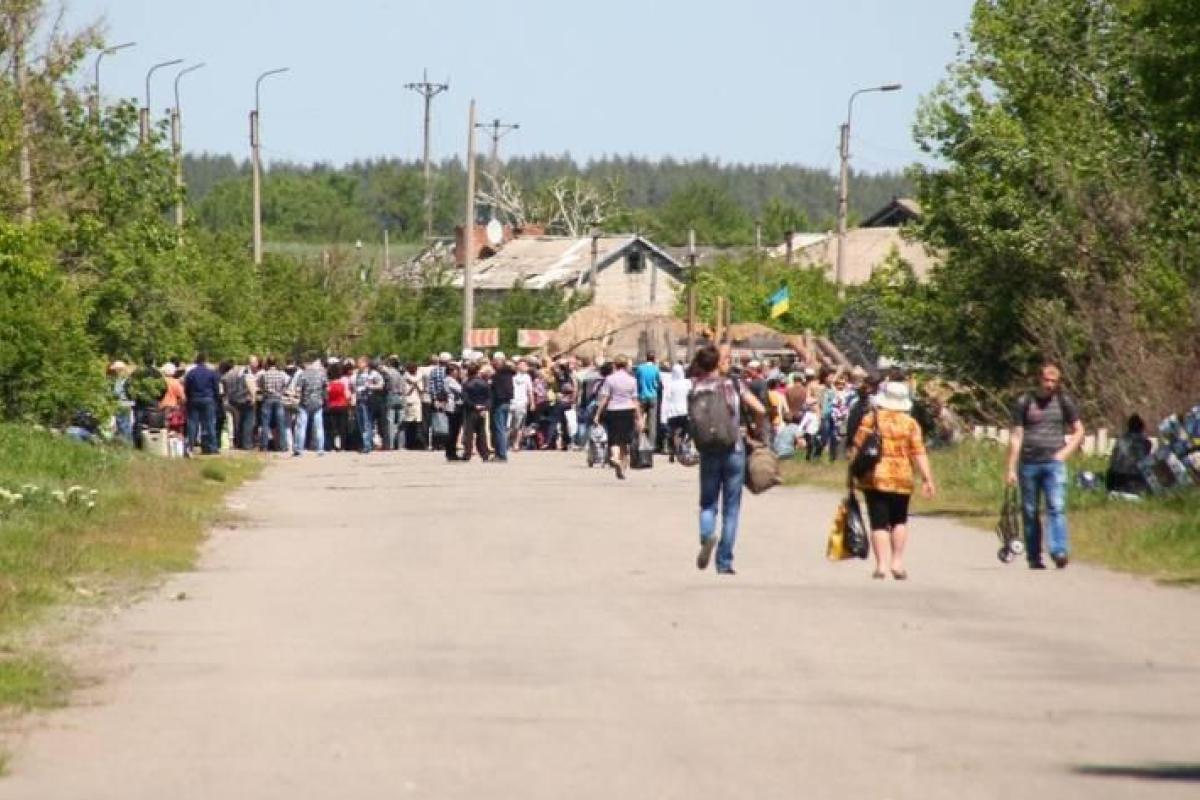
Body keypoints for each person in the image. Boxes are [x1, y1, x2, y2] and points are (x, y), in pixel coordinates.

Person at [691, 344, 767, 575]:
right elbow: (761, 409)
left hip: (708, 450)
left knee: (708, 503)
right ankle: (724, 562)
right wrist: (756, 429)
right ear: (718, 363)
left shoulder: (694, 388)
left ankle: (707, 535)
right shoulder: (733, 384)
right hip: (734, 448)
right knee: (731, 509)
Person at [851, 377, 937, 580]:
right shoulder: (911, 424)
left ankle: (881, 566)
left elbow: (857, 446)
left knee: (879, 523)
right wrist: (927, 478)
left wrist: (853, 472)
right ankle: (897, 563)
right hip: (903, 478)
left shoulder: (872, 419)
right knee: (899, 520)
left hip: (876, 477)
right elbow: (919, 452)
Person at [1006, 363, 1085, 569]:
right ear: (1038, 380)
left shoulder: (1063, 401)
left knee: (1056, 507)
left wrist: (1064, 453)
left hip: (1054, 464)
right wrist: (1011, 468)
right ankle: (1034, 556)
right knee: (1030, 511)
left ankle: (1059, 551)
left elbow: (1079, 430)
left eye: (1054, 381)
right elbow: (1016, 436)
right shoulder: (1024, 402)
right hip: (1029, 464)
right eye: (1046, 380)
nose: (1050, 385)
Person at [595, 355, 642, 480]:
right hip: (628, 410)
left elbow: (604, 398)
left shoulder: (610, 379)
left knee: (614, 438)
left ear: (615, 365)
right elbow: (635, 400)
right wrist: (639, 417)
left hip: (613, 410)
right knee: (625, 441)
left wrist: (597, 414)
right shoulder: (632, 380)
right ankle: (622, 469)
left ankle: (615, 457)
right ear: (626, 365)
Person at [183, 353, 220, 455]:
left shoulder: (190, 373)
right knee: (209, 424)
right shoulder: (211, 373)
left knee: (192, 423)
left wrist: (189, 398)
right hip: (208, 399)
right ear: (205, 360)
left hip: (194, 399)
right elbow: (216, 388)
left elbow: (186, 389)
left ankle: (190, 446)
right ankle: (212, 447)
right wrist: (217, 400)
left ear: (196, 360)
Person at [1106, 414, 1152, 495]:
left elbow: (1113, 462)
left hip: (1116, 481)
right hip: (1135, 482)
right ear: (1142, 428)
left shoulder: (1120, 440)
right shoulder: (1147, 443)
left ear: (1128, 427)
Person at [293, 355, 328, 456]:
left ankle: (299, 449)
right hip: (318, 403)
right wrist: (324, 399)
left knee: (301, 427)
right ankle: (320, 449)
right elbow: (326, 388)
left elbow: (298, 390)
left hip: (305, 403)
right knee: (319, 427)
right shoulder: (322, 375)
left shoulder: (303, 375)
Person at [257, 356, 291, 453]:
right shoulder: (281, 374)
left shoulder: (264, 374)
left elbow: (260, 385)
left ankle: (263, 446)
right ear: (276, 363)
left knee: (265, 424)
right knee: (281, 423)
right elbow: (287, 382)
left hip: (267, 399)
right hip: (278, 398)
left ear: (267, 363)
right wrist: (282, 390)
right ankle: (283, 446)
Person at [352, 356, 384, 454]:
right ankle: (366, 443)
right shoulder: (357, 374)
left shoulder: (373, 374)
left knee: (367, 423)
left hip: (368, 401)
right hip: (359, 401)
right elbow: (355, 387)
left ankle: (367, 445)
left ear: (365, 363)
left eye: (360, 363)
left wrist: (370, 387)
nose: (358, 365)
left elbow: (381, 385)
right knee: (361, 424)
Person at [461, 362, 491, 461]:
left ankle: (467, 454)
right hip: (482, 410)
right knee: (482, 433)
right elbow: (489, 398)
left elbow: (465, 399)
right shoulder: (484, 383)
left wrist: (474, 406)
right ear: (478, 371)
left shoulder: (466, 384)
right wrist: (485, 407)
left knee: (468, 434)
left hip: (471, 411)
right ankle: (485, 454)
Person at [662, 363, 691, 462]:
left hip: (672, 411)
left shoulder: (669, 384)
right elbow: (690, 395)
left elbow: (666, 399)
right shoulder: (687, 383)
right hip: (684, 411)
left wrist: (664, 414)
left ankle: (673, 450)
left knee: (673, 432)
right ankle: (681, 447)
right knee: (684, 431)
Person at [490, 352, 514, 462]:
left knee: (499, 430)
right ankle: (500, 453)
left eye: (495, 361)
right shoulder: (510, 374)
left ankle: (501, 454)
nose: (494, 363)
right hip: (507, 403)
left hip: (499, 404)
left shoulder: (497, 375)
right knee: (503, 429)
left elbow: (497, 391)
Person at [634, 352, 662, 448]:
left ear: (646, 358)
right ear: (654, 359)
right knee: (652, 422)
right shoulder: (656, 369)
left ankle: (638, 441)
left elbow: (636, 380)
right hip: (653, 396)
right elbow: (658, 382)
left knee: (639, 419)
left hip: (642, 395)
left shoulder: (640, 368)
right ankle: (651, 445)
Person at [509, 358, 534, 452]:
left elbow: (530, 390)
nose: (524, 367)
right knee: (510, 425)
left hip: (522, 403)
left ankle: (516, 444)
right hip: (512, 402)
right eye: (521, 365)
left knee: (519, 425)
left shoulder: (527, 377)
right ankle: (508, 442)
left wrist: (532, 403)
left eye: (525, 365)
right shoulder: (512, 376)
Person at [443, 363, 465, 461]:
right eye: (456, 371)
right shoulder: (449, 380)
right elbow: (461, 390)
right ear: (451, 371)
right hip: (453, 408)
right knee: (453, 431)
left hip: (454, 407)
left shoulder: (452, 380)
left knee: (454, 431)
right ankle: (450, 453)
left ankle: (452, 452)